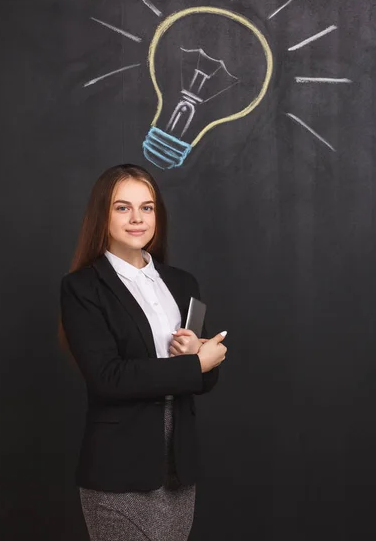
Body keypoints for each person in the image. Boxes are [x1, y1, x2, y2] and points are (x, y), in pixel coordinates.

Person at [58, 163, 227, 541]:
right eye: (123, 207)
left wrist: (199, 356)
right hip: (118, 469)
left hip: (177, 466)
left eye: (146, 207)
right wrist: (194, 364)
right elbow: (108, 379)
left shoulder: (183, 282)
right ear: (102, 215)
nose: (137, 218)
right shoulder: (82, 287)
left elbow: (201, 379)